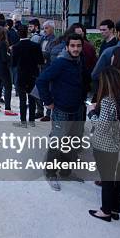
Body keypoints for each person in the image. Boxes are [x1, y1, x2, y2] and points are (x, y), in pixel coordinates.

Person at [36, 33, 88, 191]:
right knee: (57, 143)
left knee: (73, 143)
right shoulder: (60, 63)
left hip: (77, 109)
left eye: (78, 46)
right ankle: (50, 173)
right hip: (61, 110)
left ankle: (66, 172)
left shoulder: (80, 61)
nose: (76, 49)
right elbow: (41, 80)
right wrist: (48, 101)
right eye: (72, 46)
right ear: (67, 47)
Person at [87, 67, 120, 222]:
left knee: (107, 178)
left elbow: (102, 127)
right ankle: (115, 209)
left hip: (106, 145)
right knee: (119, 178)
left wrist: (91, 113)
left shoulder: (108, 100)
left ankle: (106, 211)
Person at [10, 25, 44, 126]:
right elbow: (41, 61)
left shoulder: (15, 47)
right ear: (28, 33)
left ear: (18, 34)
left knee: (22, 99)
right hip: (33, 74)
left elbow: (13, 64)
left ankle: (23, 121)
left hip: (21, 75)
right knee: (32, 98)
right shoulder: (36, 46)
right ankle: (32, 121)